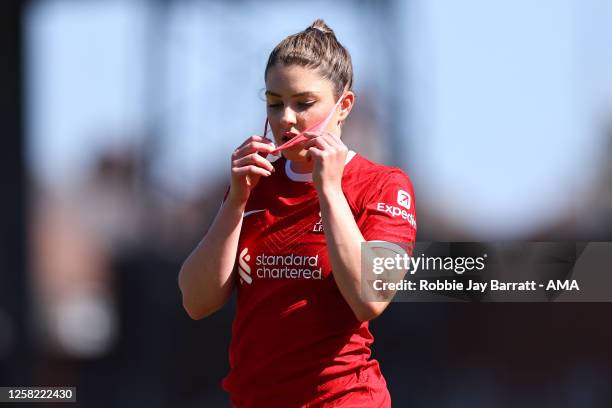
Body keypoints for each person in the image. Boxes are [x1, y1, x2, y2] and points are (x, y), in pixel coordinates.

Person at [178, 19, 417, 407]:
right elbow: (196, 300)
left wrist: (329, 190)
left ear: (344, 107)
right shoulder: (255, 185)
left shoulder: (383, 184)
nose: (286, 119)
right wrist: (236, 200)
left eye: (303, 104)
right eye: (274, 103)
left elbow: (370, 297)